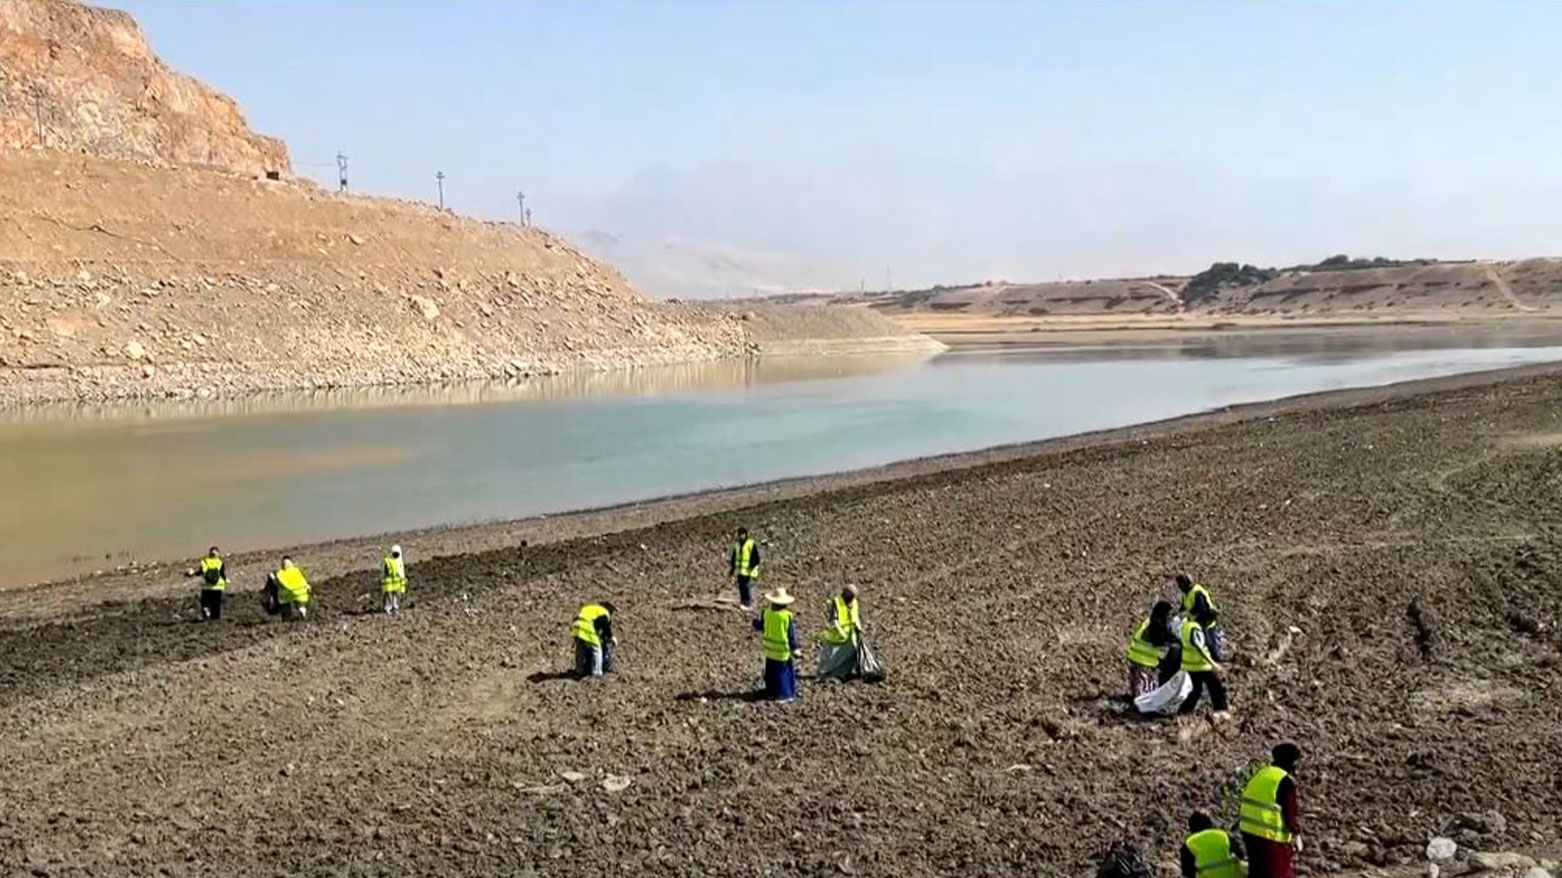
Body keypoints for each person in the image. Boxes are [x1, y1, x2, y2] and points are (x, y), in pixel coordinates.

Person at [1241, 742, 1302, 878]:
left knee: (1257, 871)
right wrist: (1296, 835)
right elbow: (1289, 814)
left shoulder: (1262, 774)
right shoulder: (1285, 781)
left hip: (1248, 832)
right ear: (1291, 763)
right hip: (1269, 837)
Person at [1177, 605, 1228, 716]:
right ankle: (1221, 710)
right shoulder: (1196, 629)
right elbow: (1200, 648)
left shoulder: (1186, 625)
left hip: (1189, 665)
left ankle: (1184, 711)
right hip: (1200, 665)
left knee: (1196, 690)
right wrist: (1213, 663)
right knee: (1215, 686)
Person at [752, 587, 799, 702]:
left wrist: (754, 623)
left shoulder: (767, 612)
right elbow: (791, 635)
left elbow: (762, 626)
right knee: (783, 674)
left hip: (769, 649)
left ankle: (771, 692)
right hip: (782, 651)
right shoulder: (787, 616)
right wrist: (795, 648)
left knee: (771, 673)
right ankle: (784, 694)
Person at [1124, 600, 1174, 699]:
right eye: (1168, 614)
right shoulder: (1156, 624)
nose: (1169, 617)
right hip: (1145, 661)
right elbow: (1157, 640)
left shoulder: (1150, 621)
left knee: (1139, 686)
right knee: (1147, 688)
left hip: (1137, 659)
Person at [816, 584, 862, 680]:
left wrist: (858, 627)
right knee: (831, 655)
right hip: (836, 634)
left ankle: (844, 672)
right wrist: (840, 631)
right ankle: (825, 673)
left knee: (850, 653)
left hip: (850, 633)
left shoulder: (854, 602)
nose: (851, 599)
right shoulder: (837, 602)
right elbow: (834, 620)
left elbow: (856, 616)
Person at [1176, 572, 1227, 659]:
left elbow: (1200, 608)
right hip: (1196, 622)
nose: (1179, 586)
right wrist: (1178, 614)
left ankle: (1217, 659)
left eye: (1180, 584)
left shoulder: (1197, 592)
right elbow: (1184, 607)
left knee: (1210, 643)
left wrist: (1187, 613)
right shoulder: (1186, 594)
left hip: (1205, 621)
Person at [1180, 812, 1246, 878]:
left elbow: (1187, 872)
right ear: (1210, 824)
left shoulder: (1190, 843)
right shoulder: (1223, 835)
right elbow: (1241, 855)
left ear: (1191, 829)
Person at [571, 601, 617, 677]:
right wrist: (611, 637)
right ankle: (597, 672)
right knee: (596, 649)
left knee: (580, 648)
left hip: (577, 627)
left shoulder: (590, 608)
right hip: (587, 628)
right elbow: (605, 628)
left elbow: (595, 625)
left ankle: (579, 670)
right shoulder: (604, 612)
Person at [187, 546, 227, 621]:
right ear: (217, 553)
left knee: (205, 603)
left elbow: (201, 572)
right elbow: (222, 574)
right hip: (217, 586)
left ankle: (206, 614)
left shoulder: (205, 561)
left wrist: (192, 574)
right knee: (216, 605)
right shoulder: (220, 561)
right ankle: (215, 619)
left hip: (206, 586)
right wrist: (225, 582)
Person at [728, 527, 762, 611]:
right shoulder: (737, 545)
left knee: (747, 587)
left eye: (742, 534)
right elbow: (734, 557)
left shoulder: (750, 544)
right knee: (741, 587)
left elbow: (756, 557)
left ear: (745, 534)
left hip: (748, 570)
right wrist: (732, 569)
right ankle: (743, 602)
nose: (741, 536)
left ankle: (748, 603)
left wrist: (752, 565)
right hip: (740, 570)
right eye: (739, 534)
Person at [271, 556, 311, 620]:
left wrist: (273, 578)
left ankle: (286, 615)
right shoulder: (297, 570)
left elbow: (276, 584)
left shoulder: (280, 573)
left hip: (287, 594)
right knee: (300, 604)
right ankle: (302, 610)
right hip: (302, 593)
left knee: (283, 600)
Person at [381, 545, 407, 615]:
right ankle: (389, 608)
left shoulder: (397, 560)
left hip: (396, 581)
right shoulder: (389, 560)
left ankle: (393, 607)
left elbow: (401, 570)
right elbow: (385, 571)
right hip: (390, 581)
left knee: (394, 595)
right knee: (389, 595)